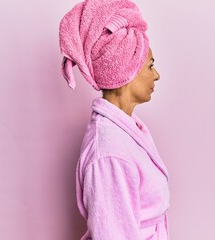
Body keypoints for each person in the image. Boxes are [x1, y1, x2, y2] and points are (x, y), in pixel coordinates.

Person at [59, 0, 170, 239]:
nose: (157, 75)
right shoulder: (109, 152)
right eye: (150, 66)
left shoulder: (128, 131)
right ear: (126, 70)